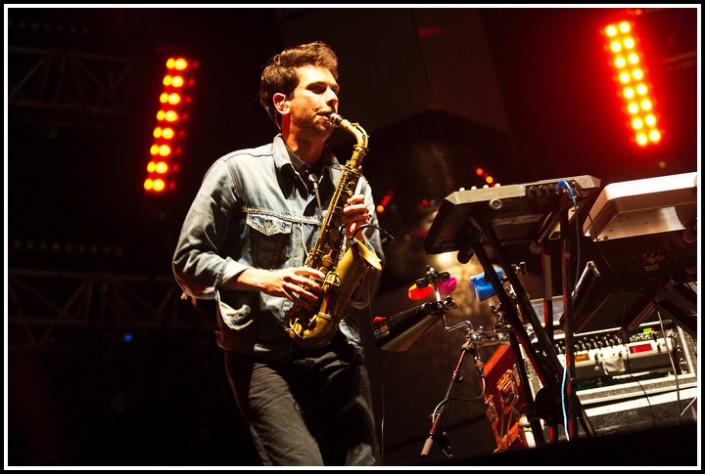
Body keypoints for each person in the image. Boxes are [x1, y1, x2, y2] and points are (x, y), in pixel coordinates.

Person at [172, 41, 385, 466]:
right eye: (319, 89)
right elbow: (187, 263)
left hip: (337, 353)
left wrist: (357, 235)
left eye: (335, 90)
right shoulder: (236, 172)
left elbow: (364, 294)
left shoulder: (354, 184)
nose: (333, 98)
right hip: (262, 357)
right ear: (282, 102)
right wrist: (266, 279)